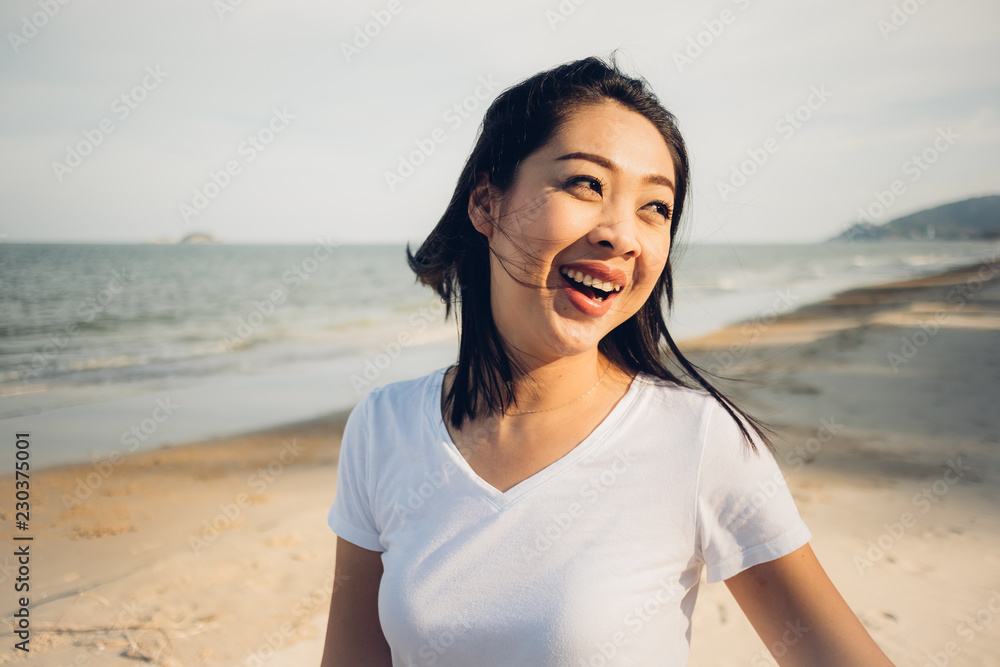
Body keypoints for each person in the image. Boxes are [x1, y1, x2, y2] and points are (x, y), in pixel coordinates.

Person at [320, 55, 896, 666]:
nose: (622, 234)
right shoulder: (384, 427)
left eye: (656, 207)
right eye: (586, 184)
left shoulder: (699, 441)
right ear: (486, 202)